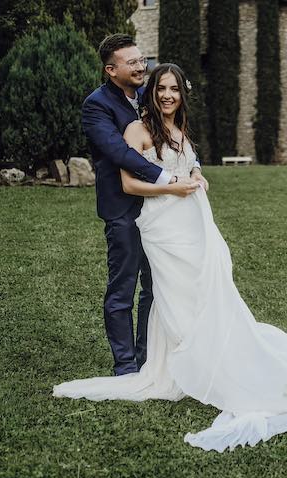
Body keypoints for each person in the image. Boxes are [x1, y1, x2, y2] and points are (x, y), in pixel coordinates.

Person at [54, 63, 287, 452]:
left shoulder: (179, 129)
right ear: (151, 92)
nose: (168, 96)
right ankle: (189, 365)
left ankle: (208, 358)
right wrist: (174, 191)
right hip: (162, 225)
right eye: (161, 89)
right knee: (175, 296)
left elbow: (185, 163)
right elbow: (129, 182)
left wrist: (196, 172)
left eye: (174, 89)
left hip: (193, 224)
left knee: (207, 289)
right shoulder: (136, 130)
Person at [81, 34, 205, 376]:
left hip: (163, 215)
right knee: (123, 288)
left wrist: (194, 168)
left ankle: (148, 358)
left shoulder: (150, 93)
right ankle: (125, 367)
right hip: (123, 207)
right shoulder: (97, 105)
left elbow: (175, 136)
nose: (141, 66)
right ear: (111, 70)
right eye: (132, 62)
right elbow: (119, 153)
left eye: (141, 60)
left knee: (156, 287)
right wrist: (168, 180)